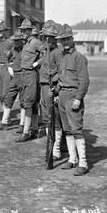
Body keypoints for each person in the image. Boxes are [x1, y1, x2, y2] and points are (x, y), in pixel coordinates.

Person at [52, 24, 90, 176]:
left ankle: (83, 163)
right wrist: (56, 91)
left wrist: (78, 99)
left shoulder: (79, 58)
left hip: (73, 96)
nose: (65, 42)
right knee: (67, 130)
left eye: (67, 39)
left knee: (76, 130)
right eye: (63, 40)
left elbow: (84, 81)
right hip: (62, 96)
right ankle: (72, 159)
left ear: (73, 39)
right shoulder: (63, 58)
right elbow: (62, 79)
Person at [37, 22, 64, 159]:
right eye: (45, 37)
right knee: (47, 118)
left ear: (55, 39)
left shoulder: (58, 53)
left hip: (52, 88)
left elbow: (62, 72)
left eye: (50, 37)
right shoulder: (47, 51)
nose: (47, 40)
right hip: (43, 86)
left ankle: (56, 150)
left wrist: (56, 89)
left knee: (56, 119)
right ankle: (51, 146)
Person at [16, 19, 43, 142]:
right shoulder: (26, 43)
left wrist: (37, 62)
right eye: (22, 30)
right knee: (30, 102)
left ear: (30, 30)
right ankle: (35, 129)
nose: (24, 32)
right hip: (24, 74)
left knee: (29, 102)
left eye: (26, 30)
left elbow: (46, 52)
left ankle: (26, 132)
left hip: (31, 74)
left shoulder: (35, 42)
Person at [0, 31, 26, 131]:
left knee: (23, 101)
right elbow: (6, 58)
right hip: (14, 76)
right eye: (15, 41)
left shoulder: (26, 49)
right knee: (8, 98)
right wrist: (9, 67)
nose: (16, 42)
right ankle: (5, 122)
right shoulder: (13, 49)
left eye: (18, 41)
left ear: (22, 41)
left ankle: (22, 124)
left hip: (24, 76)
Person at [0, 21, 14, 109]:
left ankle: (6, 117)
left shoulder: (10, 42)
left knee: (5, 92)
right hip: (0, 67)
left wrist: (10, 65)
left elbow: (15, 55)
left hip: (7, 67)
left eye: (2, 31)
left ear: (6, 31)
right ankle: (4, 112)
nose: (0, 33)